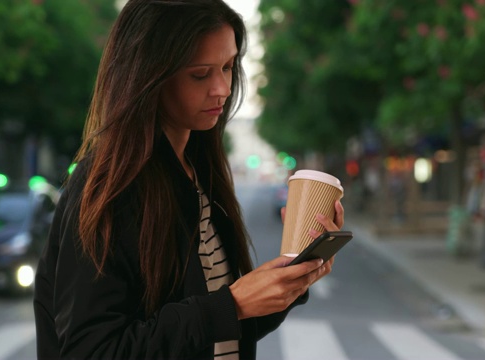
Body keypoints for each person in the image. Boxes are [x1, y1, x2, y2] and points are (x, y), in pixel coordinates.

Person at [33, 0, 345, 359]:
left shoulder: (200, 174)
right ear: (149, 77)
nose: (222, 89)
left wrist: (288, 282)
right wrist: (232, 305)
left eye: (228, 68)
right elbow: (92, 350)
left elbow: (220, 336)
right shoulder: (111, 186)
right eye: (200, 74)